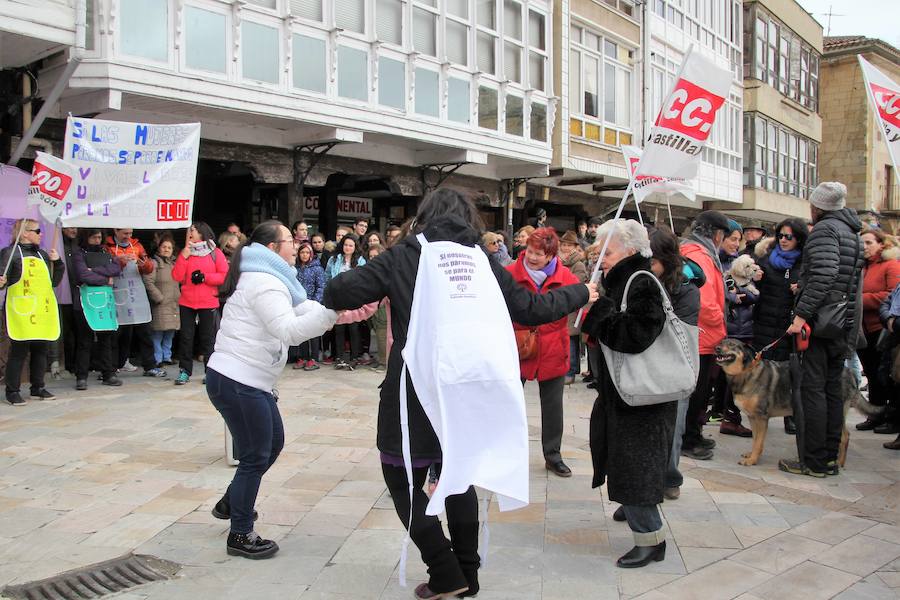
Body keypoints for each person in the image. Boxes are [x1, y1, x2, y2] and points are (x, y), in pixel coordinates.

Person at [321, 188, 594, 599]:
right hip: (466, 393)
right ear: (468, 219)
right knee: (459, 477)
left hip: (413, 392)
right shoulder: (481, 260)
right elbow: (532, 308)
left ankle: (446, 571)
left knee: (403, 480)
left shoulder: (406, 255)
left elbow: (339, 292)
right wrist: (580, 292)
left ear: (424, 217)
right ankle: (468, 574)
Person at [207, 220, 337, 559]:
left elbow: (304, 308)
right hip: (238, 379)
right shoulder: (265, 283)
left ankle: (231, 501)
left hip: (249, 380)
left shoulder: (277, 280)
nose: (296, 245)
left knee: (272, 443)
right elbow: (289, 330)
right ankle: (240, 533)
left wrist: (340, 309)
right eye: (289, 240)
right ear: (272, 248)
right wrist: (332, 314)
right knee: (254, 455)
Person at [580, 219, 674, 569]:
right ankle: (631, 504)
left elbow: (636, 335)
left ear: (631, 251)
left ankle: (651, 540)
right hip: (625, 395)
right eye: (599, 248)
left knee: (636, 468)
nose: (600, 256)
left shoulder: (641, 282)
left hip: (642, 399)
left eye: (608, 249)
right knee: (624, 462)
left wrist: (599, 312)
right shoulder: (619, 281)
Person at [781, 182, 864, 478]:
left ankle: (814, 461)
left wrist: (801, 315)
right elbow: (845, 281)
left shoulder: (826, 231)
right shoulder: (853, 233)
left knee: (812, 390)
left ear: (818, 206)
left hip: (822, 324)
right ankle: (828, 458)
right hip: (844, 324)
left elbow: (825, 276)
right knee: (830, 390)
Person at [507, 228, 581, 477]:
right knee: (508, 403)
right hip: (518, 345)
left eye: (538, 253)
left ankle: (553, 455)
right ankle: (507, 453)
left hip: (552, 347)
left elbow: (580, 304)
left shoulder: (567, 278)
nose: (532, 257)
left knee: (552, 407)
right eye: (529, 251)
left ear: (551, 255)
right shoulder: (509, 274)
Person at [648, 227, 703, 501]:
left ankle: (670, 476)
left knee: (674, 425)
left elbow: (682, 331)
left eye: (653, 261)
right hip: (648, 366)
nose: (649, 267)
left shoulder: (687, 289)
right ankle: (647, 479)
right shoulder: (645, 281)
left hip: (677, 366)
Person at [680, 210, 731, 460]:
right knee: (697, 391)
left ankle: (694, 433)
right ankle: (688, 439)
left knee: (701, 391)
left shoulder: (699, 253)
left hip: (703, 334)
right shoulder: (697, 255)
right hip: (701, 334)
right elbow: (704, 299)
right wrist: (721, 320)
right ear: (717, 235)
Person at [753, 218, 808, 433]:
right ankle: (758, 412)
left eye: (789, 237)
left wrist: (800, 289)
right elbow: (754, 289)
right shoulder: (767, 259)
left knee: (789, 373)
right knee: (761, 370)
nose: (783, 240)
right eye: (781, 236)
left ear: (799, 239)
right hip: (765, 322)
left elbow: (812, 289)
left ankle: (790, 415)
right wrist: (755, 278)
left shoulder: (804, 263)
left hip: (789, 323)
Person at [0, 219, 64, 404]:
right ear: (25, 233)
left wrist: (58, 263)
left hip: (41, 309)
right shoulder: (9, 253)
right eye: (37, 230)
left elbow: (53, 282)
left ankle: (38, 388)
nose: (41, 233)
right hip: (20, 311)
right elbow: (2, 279)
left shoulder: (44, 255)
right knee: (18, 351)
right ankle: (12, 391)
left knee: (40, 350)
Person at [855, 227, 900, 433]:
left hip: (880, 328)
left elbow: (891, 296)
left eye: (869, 242)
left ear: (881, 244)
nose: (864, 247)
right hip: (862, 328)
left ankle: (889, 417)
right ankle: (875, 414)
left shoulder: (890, 265)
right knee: (871, 373)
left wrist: (860, 301)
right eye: (862, 242)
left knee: (884, 376)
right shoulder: (862, 267)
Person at [172, 222, 229, 385]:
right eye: (189, 230)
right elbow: (176, 276)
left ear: (202, 233)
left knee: (208, 339)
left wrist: (205, 277)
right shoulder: (187, 252)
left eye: (193, 230)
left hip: (208, 301)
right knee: (186, 338)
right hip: (187, 301)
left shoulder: (215, 253)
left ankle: (210, 371)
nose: (190, 233)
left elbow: (224, 276)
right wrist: (183, 255)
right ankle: (184, 371)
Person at [105, 228, 166, 378]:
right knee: (116, 334)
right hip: (117, 295)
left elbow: (149, 268)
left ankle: (150, 366)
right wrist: (120, 262)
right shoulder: (107, 247)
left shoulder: (137, 246)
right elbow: (106, 269)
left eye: (130, 233)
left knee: (145, 332)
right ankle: (111, 368)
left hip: (136, 294)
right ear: (116, 231)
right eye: (125, 233)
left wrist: (143, 264)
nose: (128, 236)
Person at [72, 228, 122, 390]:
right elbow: (82, 275)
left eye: (99, 237)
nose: (97, 240)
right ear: (86, 237)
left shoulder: (106, 251)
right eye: (94, 237)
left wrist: (94, 271)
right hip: (85, 302)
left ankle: (108, 373)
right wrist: (105, 278)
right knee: (84, 341)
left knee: (106, 339)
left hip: (104, 300)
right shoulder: (79, 253)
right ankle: (81, 377)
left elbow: (116, 269)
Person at [325, 234, 367, 367]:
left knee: (354, 327)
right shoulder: (334, 259)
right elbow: (327, 276)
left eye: (350, 245)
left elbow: (363, 278)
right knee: (339, 328)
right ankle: (339, 357)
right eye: (345, 245)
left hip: (354, 297)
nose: (347, 247)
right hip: (338, 296)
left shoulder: (360, 261)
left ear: (355, 247)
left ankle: (354, 357)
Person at [143, 235, 181, 368]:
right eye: (164, 247)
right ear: (159, 248)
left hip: (173, 304)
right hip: (160, 303)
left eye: (169, 247)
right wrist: (158, 298)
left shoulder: (174, 264)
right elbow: (148, 282)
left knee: (170, 332)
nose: (166, 249)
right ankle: (157, 358)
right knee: (157, 333)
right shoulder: (153, 263)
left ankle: (167, 356)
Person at [558, 230, 587, 385]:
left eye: (569, 245)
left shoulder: (578, 264)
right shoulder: (558, 262)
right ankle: (569, 369)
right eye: (563, 245)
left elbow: (578, 283)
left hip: (572, 307)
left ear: (575, 247)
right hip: (560, 305)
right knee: (566, 340)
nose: (565, 248)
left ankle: (570, 372)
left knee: (571, 340)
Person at [292, 241, 326, 371]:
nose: (304, 255)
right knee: (302, 331)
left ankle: (314, 358)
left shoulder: (317, 268)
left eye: (307, 252)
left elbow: (321, 287)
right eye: (302, 252)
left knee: (314, 332)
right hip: (299, 304)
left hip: (312, 304)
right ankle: (303, 357)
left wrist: (316, 302)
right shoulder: (295, 268)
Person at [55, 227, 80, 376]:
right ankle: (70, 364)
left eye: (75, 227)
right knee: (68, 331)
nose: (73, 230)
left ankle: (80, 362)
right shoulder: (59, 246)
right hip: (64, 292)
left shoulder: (77, 245)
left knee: (80, 330)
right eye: (70, 227)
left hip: (78, 290)